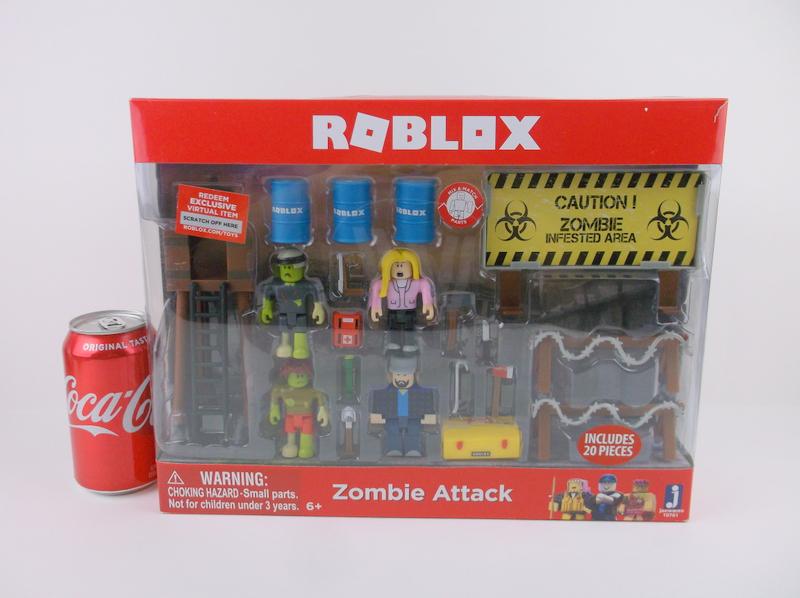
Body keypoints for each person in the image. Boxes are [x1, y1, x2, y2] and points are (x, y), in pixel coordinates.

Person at [369, 350, 438, 457]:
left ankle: (413, 448)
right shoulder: (386, 392)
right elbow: (380, 402)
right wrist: (376, 415)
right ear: (392, 375)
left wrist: (430, 416)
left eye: (405, 375)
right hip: (393, 419)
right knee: (392, 432)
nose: (401, 379)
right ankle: (393, 448)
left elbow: (426, 403)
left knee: (413, 432)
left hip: (413, 419)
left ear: (414, 375)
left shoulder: (420, 392)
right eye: (398, 375)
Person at [368, 248, 435, 349]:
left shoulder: (415, 283)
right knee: (393, 328)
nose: (399, 269)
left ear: (412, 267)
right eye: (396, 265)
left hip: (410, 312)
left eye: (403, 265)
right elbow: (376, 286)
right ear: (389, 268)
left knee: (410, 328)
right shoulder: (387, 283)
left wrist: (428, 303)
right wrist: (375, 305)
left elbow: (425, 284)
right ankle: (393, 342)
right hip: (392, 312)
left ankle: (410, 343)